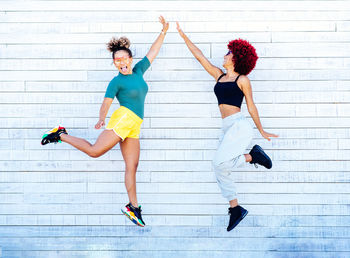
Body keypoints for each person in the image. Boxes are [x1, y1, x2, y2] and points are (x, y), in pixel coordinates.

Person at [41, 16, 169, 227]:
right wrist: (102, 119)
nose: (120, 62)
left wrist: (163, 31)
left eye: (123, 59)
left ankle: (133, 207)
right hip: (124, 119)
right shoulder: (116, 81)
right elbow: (106, 103)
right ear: (114, 63)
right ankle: (60, 134)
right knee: (95, 151)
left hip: (135, 124)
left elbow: (152, 53)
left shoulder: (138, 71)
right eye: (116, 60)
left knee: (132, 165)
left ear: (130, 59)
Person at [176, 22, 278, 231]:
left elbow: (251, 106)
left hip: (239, 126)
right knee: (220, 168)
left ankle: (253, 157)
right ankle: (236, 208)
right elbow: (200, 57)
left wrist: (261, 130)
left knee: (219, 163)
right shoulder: (219, 75)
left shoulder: (243, 80)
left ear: (236, 58)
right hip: (227, 127)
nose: (224, 54)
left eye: (228, 52)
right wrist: (182, 34)